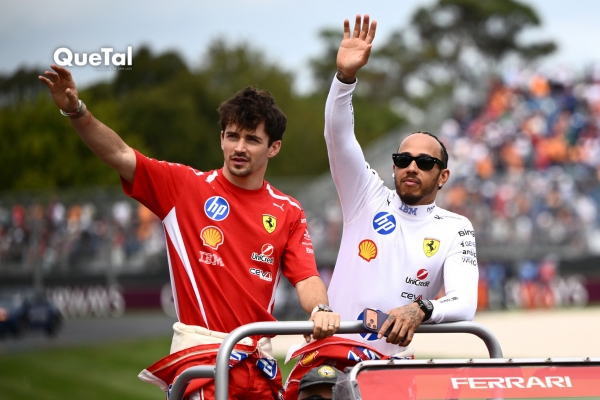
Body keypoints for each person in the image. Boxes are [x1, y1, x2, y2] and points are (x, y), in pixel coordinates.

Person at [38, 65, 340, 400]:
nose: (239, 147)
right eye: (232, 136)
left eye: (252, 139)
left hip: (259, 366)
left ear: (274, 147)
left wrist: (320, 310)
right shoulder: (183, 186)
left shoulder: (288, 210)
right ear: (221, 138)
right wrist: (76, 111)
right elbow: (120, 154)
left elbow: (306, 276)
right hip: (203, 362)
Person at [325, 14, 478, 356]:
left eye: (425, 163)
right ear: (394, 166)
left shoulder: (456, 227)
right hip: (330, 356)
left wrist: (421, 309)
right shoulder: (365, 196)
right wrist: (345, 78)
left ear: (443, 176)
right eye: (403, 159)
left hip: (391, 367)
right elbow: (338, 137)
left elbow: (465, 301)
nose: (411, 167)